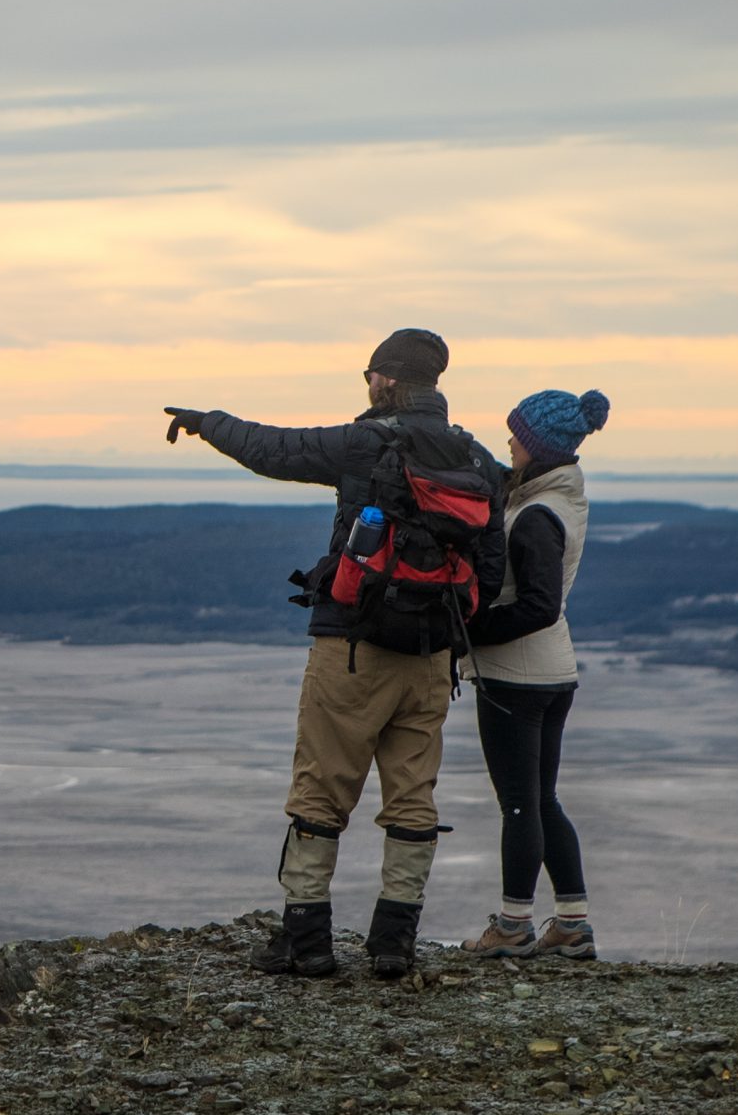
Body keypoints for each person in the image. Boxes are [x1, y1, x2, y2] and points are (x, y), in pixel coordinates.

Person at [165, 329, 506, 980]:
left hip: (352, 646)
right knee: (412, 796)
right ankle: (392, 945)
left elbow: (273, 448)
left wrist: (208, 422)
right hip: (433, 658)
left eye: (368, 377)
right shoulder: (474, 456)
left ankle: (307, 940)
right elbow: (490, 563)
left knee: (321, 789)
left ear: (384, 380)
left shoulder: (365, 441)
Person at [460, 387, 610, 960]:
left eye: (516, 436)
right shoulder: (558, 496)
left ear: (538, 446)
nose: (509, 443)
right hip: (552, 673)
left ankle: (513, 924)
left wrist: (471, 630)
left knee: (520, 803)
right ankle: (571, 923)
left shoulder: (535, 518)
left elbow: (539, 605)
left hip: (516, 679)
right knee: (543, 799)